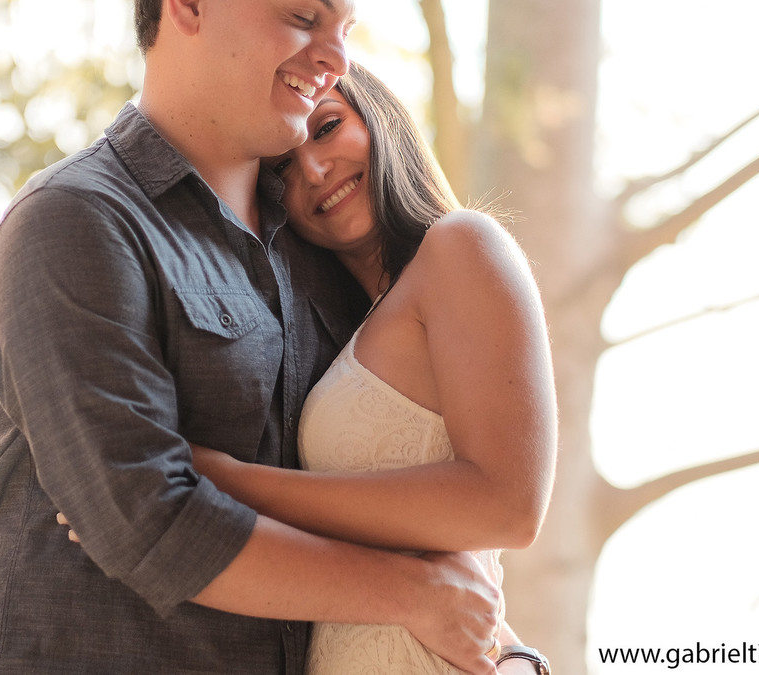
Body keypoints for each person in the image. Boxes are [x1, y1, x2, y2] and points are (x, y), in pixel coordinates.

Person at [0, 1, 507, 673]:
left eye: (345, 30)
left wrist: (502, 648)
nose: (336, 57)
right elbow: (145, 521)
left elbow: (417, 490)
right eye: (304, 16)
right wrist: (412, 594)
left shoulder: (323, 243)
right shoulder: (74, 221)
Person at [185, 62, 559, 673]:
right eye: (282, 168)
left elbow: (507, 506)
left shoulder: (461, 245)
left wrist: (224, 480)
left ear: (377, 116)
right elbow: (430, 551)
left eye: (328, 127)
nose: (313, 169)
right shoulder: (340, 332)